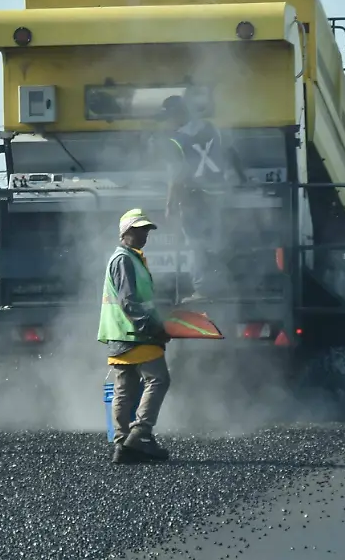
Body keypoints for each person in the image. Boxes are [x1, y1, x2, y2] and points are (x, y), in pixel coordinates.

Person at [98, 208, 172, 464]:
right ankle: (140, 434)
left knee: (126, 388)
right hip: (134, 333)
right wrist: (151, 328)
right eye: (140, 230)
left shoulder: (132, 258)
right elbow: (129, 302)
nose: (145, 235)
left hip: (122, 334)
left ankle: (122, 445)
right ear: (126, 232)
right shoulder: (124, 260)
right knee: (159, 380)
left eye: (146, 231)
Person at [157, 95, 246, 301]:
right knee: (215, 241)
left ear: (178, 114)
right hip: (217, 193)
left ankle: (202, 291)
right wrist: (241, 178)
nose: (168, 121)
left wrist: (169, 203)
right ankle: (222, 286)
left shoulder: (176, 140)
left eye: (169, 116)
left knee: (195, 243)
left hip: (194, 197)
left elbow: (176, 175)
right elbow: (230, 153)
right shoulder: (211, 128)